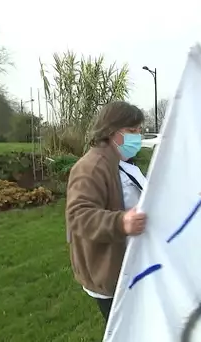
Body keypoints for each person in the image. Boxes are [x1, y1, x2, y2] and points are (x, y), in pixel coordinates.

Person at [65, 101, 148, 325]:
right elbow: (78, 216)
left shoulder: (121, 163)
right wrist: (121, 223)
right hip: (109, 276)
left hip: (131, 268)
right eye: (132, 131)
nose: (137, 137)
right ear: (111, 131)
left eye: (139, 130)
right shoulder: (91, 167)